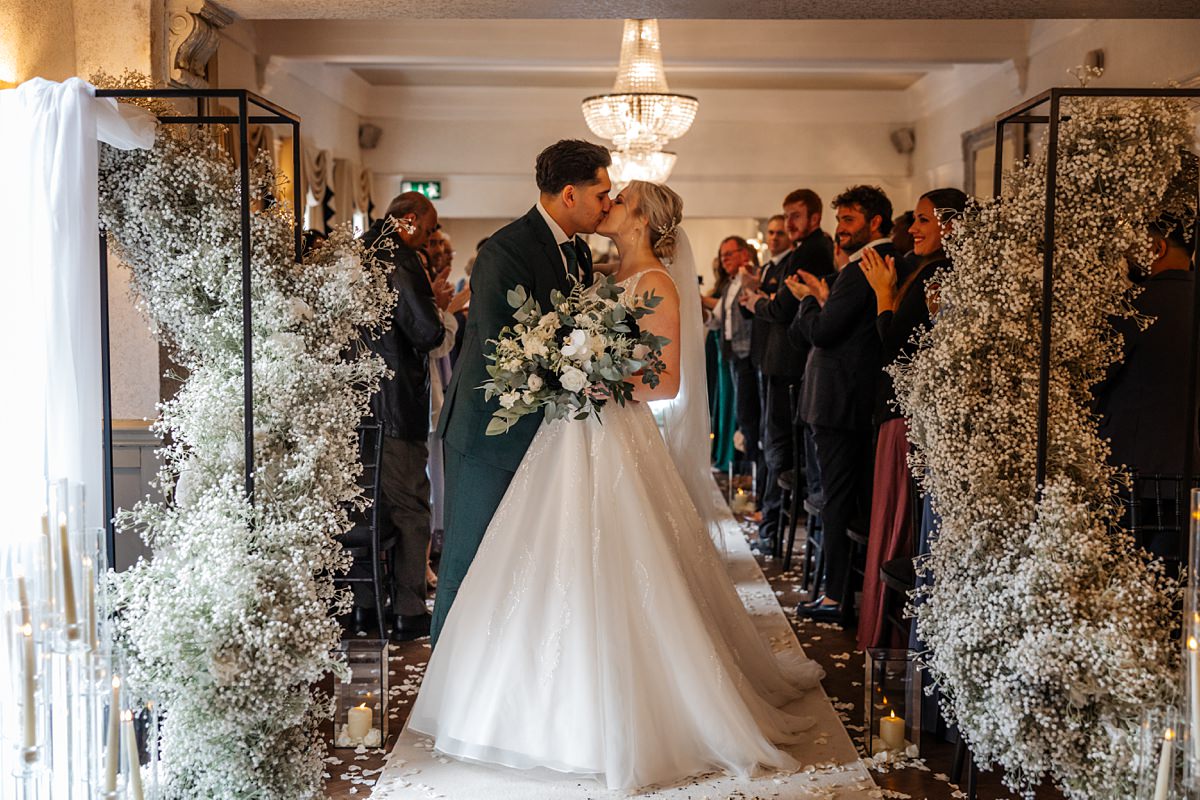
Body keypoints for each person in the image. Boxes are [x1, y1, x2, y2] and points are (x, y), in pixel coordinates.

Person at [407, 181, 822, 791]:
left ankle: (624, 715)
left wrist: (591, 382)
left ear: (641, 219)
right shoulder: (602, 279)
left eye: (618, 200)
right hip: (569, 436)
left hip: (611, 432)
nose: (608, 206)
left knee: (619, 561)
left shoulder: (656, 283)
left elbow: (667, 383)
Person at [432, 139, 612, 646]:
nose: (607, 204)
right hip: (488, 431)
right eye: (602, 194)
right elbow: (500, 346)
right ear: (570, 194)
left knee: (520, 559)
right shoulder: (504, 250)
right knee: (470, 559)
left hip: (543, 431)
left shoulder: (578, 250)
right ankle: (445, 684)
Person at [856, 188, 967, 650]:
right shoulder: (931, 271)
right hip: (905, 411)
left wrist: (883, 297)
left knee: (896, 516)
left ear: (952, 225)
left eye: (924, 220)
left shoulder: (940, 275)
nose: (914, 228)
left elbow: (898, 349)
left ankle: (886, 633)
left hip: (906, 414)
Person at [788, 185, 896, 623]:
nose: (841, 229)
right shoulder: (865, 266)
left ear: (874, 223)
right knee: (840, 498)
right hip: (842, 398)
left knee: (837, 499)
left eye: (849, 220)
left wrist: (809, 303)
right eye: (839, 220)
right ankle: (842, 588)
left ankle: (835, 595)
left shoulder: (865, 265)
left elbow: (826, 331)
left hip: (841, 401)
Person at [361, 191, 453, 641]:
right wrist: (440, 310)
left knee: (369, 508)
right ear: (410, 220)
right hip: (396, 403)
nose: (431, 237)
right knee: (412, 507)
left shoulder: (361, 251)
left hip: (360, 405)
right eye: (431, 227)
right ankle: (411, 609)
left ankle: (365, 605)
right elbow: (426, 331)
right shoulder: (400, 258)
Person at [1096, 213, 1199, 559]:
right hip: (1190, 476)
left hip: (1139, 478)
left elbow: (1095, 380)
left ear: (1156, 248)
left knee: (1139, 575)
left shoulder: (1135, 308)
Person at [740, 191, 834, 550]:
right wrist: (766, 295)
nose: (790, 223)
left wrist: (758, 300)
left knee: (780, 448)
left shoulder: (811, 250)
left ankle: (773, 529)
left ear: (814, 217)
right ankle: (771, 523)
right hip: (780, 362)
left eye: (796, 216)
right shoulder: (803, 249)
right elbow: (780, 302)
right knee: (775, 445)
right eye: (786, 215)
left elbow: (781, 310)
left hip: (789, 364)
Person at [709, 236, 761, 470]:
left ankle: (750, 470)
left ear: (744, 254)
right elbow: (716, 320)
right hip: (731, 356)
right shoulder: (729, 285)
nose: (725, 259)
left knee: (748, 416)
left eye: (729, 254)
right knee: (740, 414)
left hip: (749, 356)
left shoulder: (752, 281)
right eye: (722, 256)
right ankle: (744, 468)